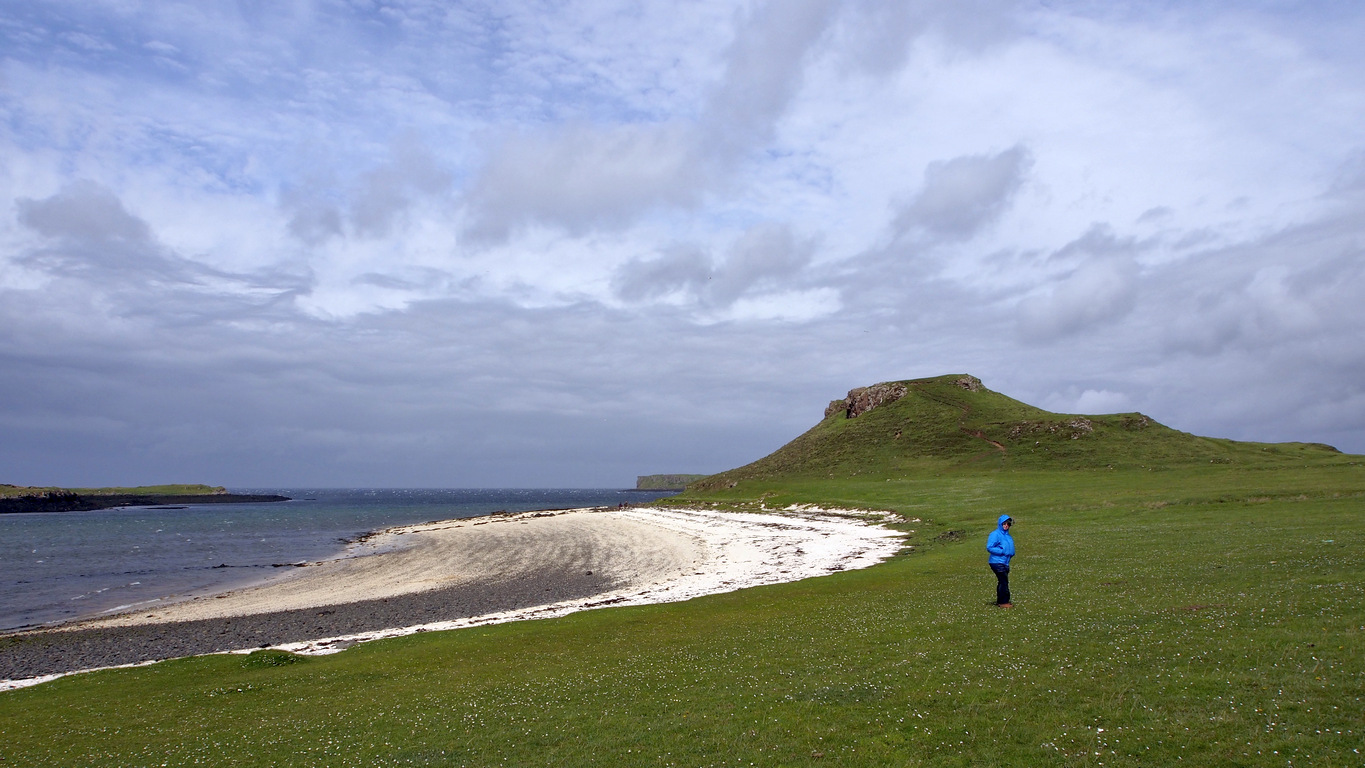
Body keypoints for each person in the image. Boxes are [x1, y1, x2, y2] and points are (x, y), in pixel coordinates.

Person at [986, 514, 1015, 607]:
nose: (1006, 525)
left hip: (1005, 562)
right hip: (996, 562)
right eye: (1004, 524)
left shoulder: (1008, 536)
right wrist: (1002, 551)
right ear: (1000, 524)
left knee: (1002, 581)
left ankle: (1001, 600)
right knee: (1004, 581)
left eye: (1008, 524)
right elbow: (989, 547)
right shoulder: (995, 534)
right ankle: (1003, 602)